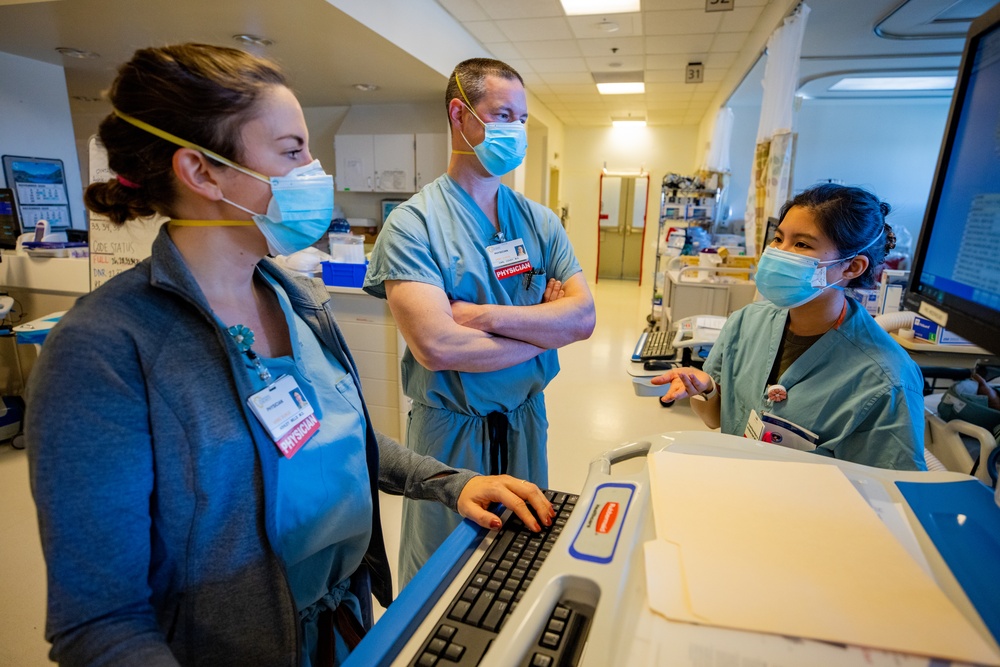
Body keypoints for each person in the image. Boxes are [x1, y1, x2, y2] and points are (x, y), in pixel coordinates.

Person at [25, 44, 554, 667]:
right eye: (292, 151)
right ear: (202, 172)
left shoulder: (297, 300)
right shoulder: (106, 350)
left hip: (346, 625)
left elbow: (339, 435)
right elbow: (102, 626)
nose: (314, 170)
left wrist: (448, 482)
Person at [363, 58, 595, 585]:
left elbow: (582, 318)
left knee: (520, 557)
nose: (515, 130)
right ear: (459, 115)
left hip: (525, 421)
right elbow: (438, 346)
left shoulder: (539, 221)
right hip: (450, 431)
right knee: (442, 576)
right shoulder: (413, 224)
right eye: (502, 114)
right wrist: (540, 327)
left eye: (522, 118)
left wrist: (481, 317)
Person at [652, 184, 926, 471]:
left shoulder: (887, 380)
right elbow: (715, 417)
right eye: (778, 238)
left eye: (802, 244)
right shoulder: (746, 322)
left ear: (852, 267)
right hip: (737, 487)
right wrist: (705, 389)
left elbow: (892, 490)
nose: (779, 253)